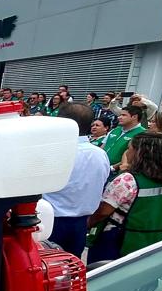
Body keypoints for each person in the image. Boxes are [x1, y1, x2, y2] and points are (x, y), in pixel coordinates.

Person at [86, 132, 162, 263]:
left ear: (139, 153)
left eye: (129, 149)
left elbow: (102, 212)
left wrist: (88, 224)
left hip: (119, 242)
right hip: (154, 239)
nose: (127, 152)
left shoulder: (128, 180)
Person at [44, 104, 111, 257]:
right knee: (72, 269)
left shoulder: (54, 152)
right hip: (80, 224)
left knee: (48, 268)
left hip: (52, 222)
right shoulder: (100, 154)